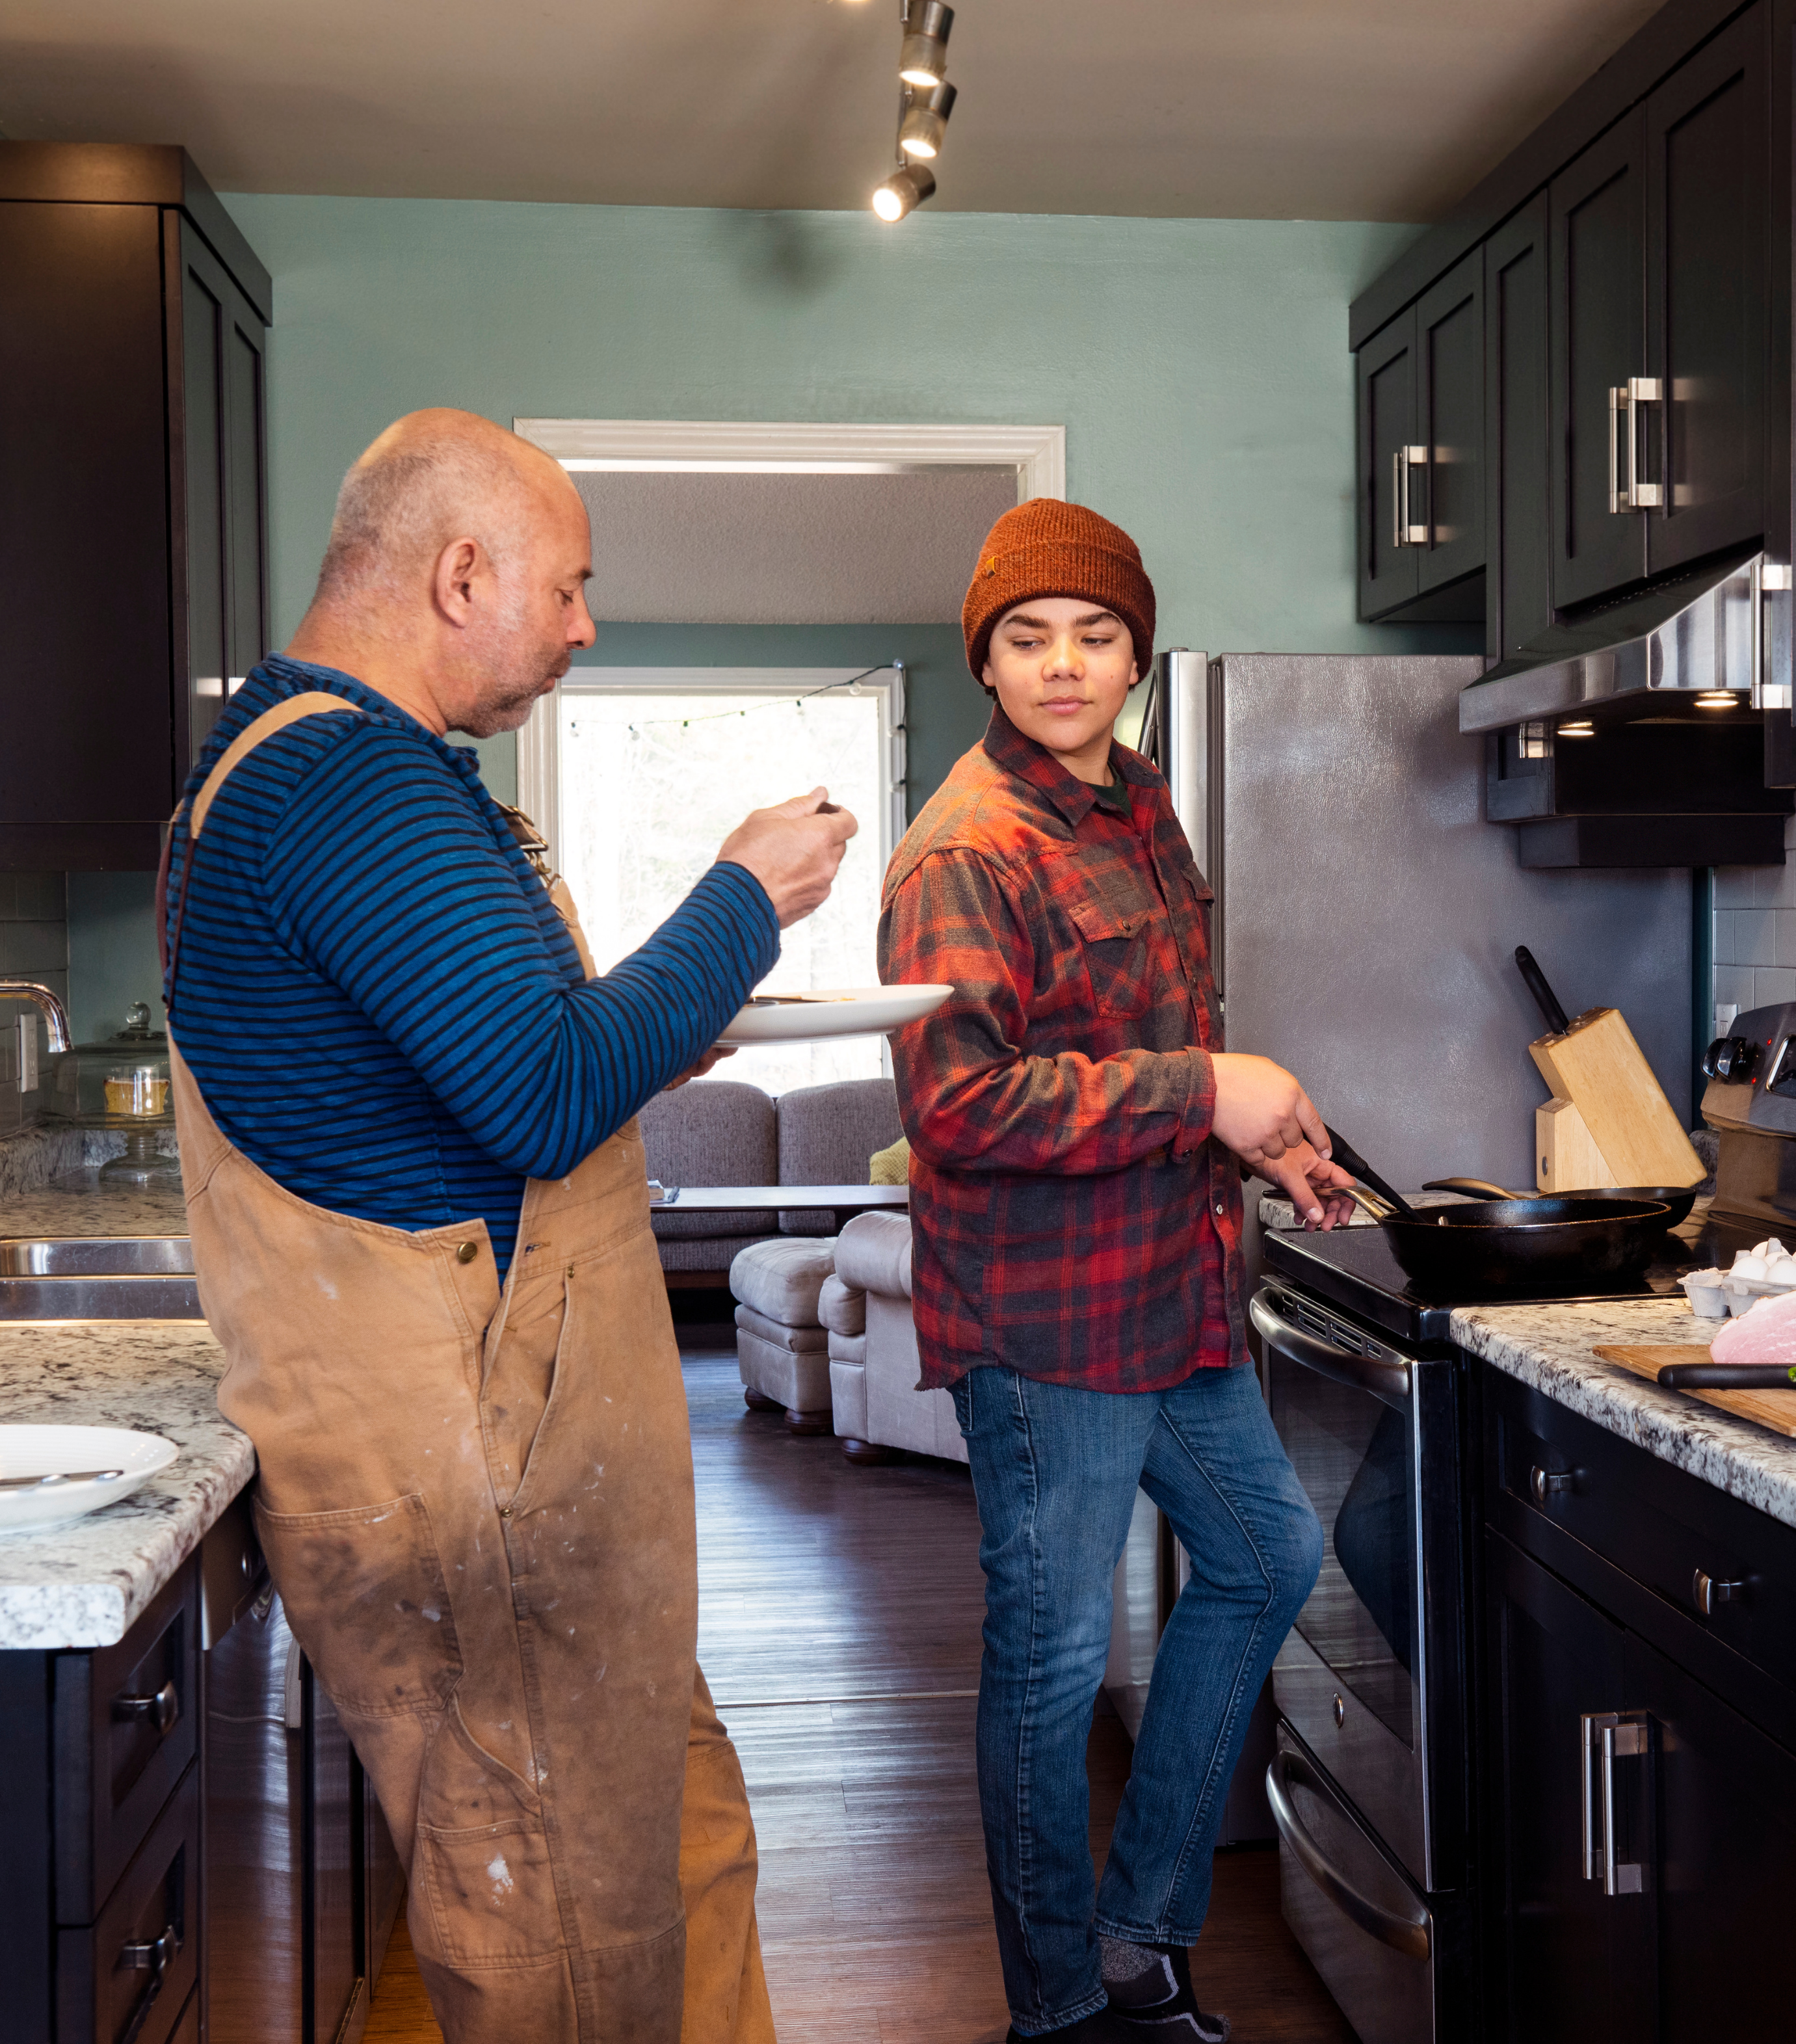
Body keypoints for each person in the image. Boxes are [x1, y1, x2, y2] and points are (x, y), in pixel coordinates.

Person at [158, 409, 856, 2044]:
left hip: (526, 1480)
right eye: (569, 587)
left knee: (669, 1865)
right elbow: (545, 1096)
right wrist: (742, 894)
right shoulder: (343, 778)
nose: (584, 624)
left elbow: (484, 1058)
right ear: (459, 571)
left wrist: (661, 1018)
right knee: (556, 1934)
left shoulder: (340, 768)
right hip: (478, 1480)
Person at [878, 499, 1352, 2043]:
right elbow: (957, 1104)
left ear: (1134, 653)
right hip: (1047, 1314)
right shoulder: (968, 846)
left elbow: (1148, 1039)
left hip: (1172, 1283)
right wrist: (1204, 1093)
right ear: (987, 660)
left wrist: (1252, 1138)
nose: (1063, 665)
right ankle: (1063, 2006)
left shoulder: (1136, 802)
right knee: (1053, 1652)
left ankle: (1141, 1929)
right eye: (1028, 639)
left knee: (1267, 1556)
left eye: (1093, 635)